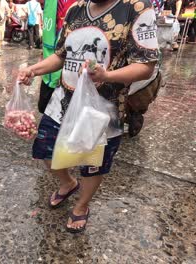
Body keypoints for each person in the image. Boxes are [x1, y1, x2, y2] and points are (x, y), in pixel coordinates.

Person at [18, 0, 159, 232]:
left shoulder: (136, 8)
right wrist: (33, 70)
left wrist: (107, 75)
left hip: (102, 110)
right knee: (45, 149)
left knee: (93, 164)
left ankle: (82, 206)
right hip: (62, 103)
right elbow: (62, 55)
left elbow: (145, 66)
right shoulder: (75, 10)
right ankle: (68, 183)